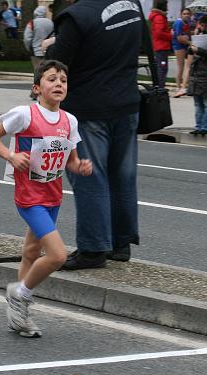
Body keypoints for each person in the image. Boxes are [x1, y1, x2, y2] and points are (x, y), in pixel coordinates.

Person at [0, 60, 92, 337]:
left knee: (31, 253)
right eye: (52, 79)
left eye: (63, 80)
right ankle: (20, 292)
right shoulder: (25, 114)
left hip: (53, 196)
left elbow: (70, 159)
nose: (58, 84)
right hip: (29, 197)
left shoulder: (70, 120)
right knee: (57, 255)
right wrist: (11, 155)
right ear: (37, 88)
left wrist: (79, 166)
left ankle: (19, 316)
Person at [45, 0, 142, 270]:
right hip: (127, 103)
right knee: (122, 176)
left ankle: (92, 248)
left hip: (88, 108)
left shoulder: (76, 17)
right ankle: (120, 243)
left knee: (89, 176)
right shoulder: (131, 6)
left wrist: (49, 47)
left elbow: (56, 65)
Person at [187, 15, 207, 135]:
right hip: (196, 71)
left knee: (206, 101)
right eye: (202, 25)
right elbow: (189, 52)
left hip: (206, 71)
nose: (203, 28)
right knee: (197, 102)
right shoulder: (198, 34)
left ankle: (206, 127)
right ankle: (198, 126)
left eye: (206, 26)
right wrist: (193, 43)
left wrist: (198, 50)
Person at [149, 0, 172, 89]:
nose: (168, 8)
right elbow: (159, 33)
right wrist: (171, 36)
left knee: (161, 67)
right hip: (161, 47)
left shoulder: (159, 17)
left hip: (160, 46)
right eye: (167, 5)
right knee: (162, 68)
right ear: (163, 6)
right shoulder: (160, 17)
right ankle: (160, 88)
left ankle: (159, 86)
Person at [23, 6, 54, 70]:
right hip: (48, 51)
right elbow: (53, 36)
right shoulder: (51, 23)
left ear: (35, 13)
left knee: (37, 70)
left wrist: (28, 48)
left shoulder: (32, 23)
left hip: (36, 51)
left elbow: (27, 38)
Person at [172, 8, 193, 98]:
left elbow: (187, 34)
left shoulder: (187, 23)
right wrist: (191, 43)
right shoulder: (179, 22)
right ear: (181, 14)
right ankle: (178, 87)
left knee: (186, 66)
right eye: (184, 14)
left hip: (185, 46)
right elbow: (179, 37)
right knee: (181, 66)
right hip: (179, 46)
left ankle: (182, 86)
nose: (186, 15)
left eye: (188, 14)